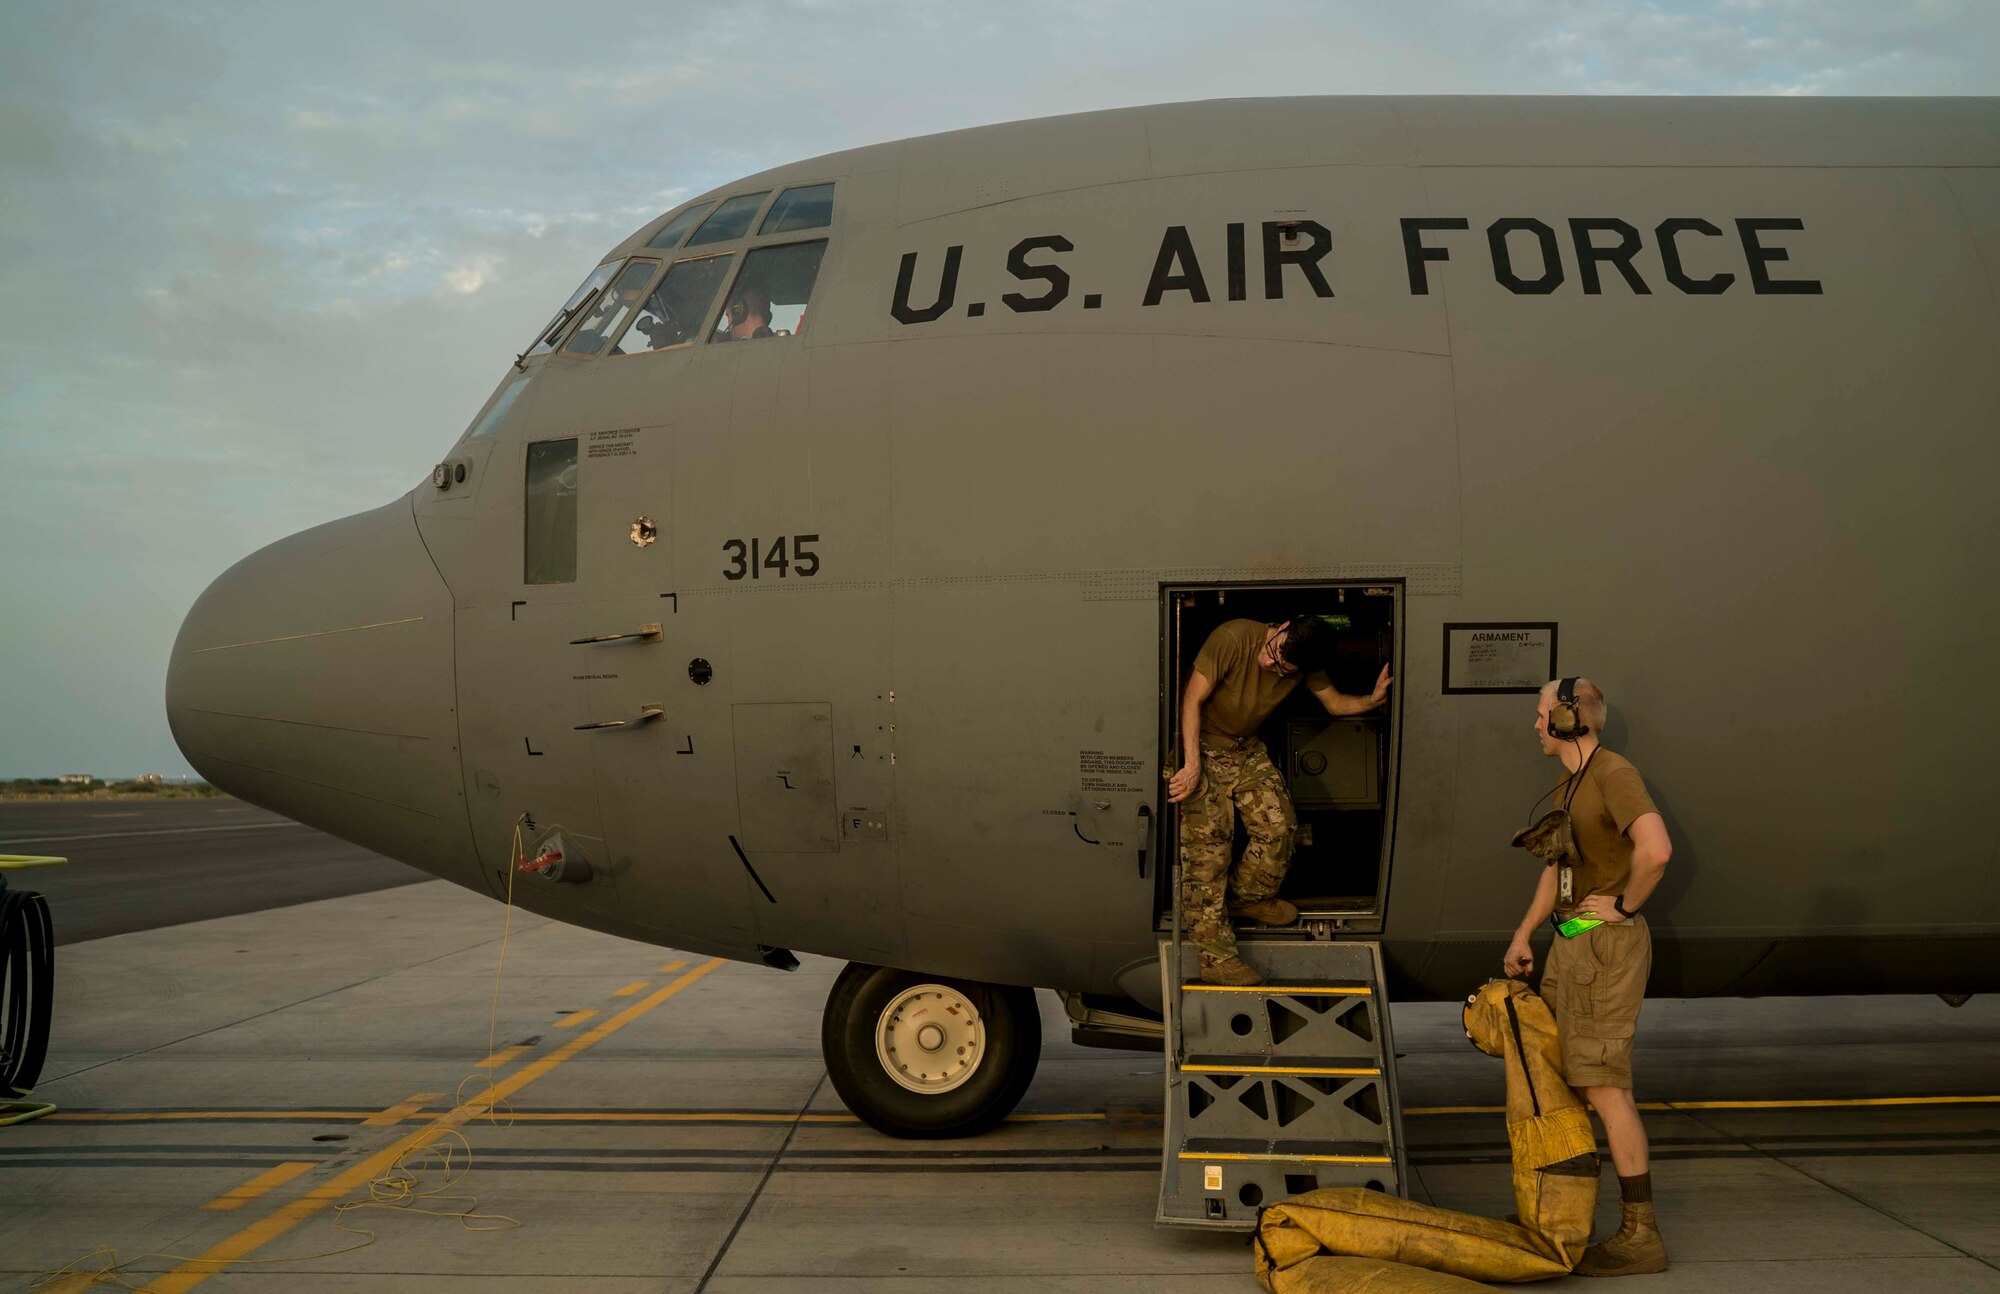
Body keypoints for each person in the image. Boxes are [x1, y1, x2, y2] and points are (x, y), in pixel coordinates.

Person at [1504, 677, 1673, 1277]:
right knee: (1572, 1084)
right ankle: (1570, 1217)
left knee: (1605, 1088)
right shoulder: (1570, 782)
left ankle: (1640, 1235)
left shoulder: (1613, 774)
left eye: (1541, 713)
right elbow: (1557, 866)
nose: (1535, 724)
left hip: (1604, 947)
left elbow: (1656, 850)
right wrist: (1527, 934)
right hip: (1573, 941)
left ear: (1569, 718)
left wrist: (1624, 905)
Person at [1167, 617, 1392, 986]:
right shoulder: (1233, 637)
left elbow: (1335, 705)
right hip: (1203, 744)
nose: (1271, 665)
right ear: (1282, 626)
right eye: (1274, 654)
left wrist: (1372, 699)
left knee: (1280, 829)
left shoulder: (1304, 665)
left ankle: (1246, 898)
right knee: (1208, 855)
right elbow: (1192, 698)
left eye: (1283, 668)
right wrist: (1191, 765)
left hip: (1245, 749)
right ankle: (1216, 958)